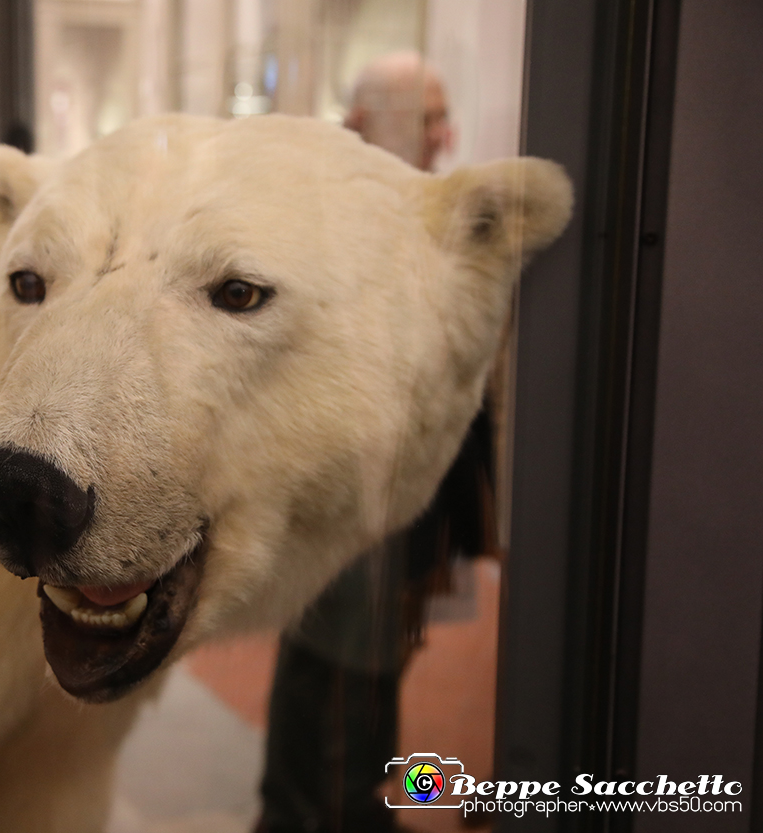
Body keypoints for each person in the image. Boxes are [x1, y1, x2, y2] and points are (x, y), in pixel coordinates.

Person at [257, 51, 494, 833]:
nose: (444, 134)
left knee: (368, 677)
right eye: (426, 116)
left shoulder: (416, 222)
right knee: (335, 683)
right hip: (351, 509)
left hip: (403, 517)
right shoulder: (325, 227)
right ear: (364, 125)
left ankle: (359, 809)